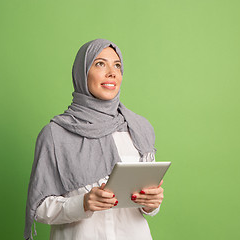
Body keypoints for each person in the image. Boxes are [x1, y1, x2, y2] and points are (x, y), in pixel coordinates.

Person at [24, 39, 164, 240]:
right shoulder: (55, 134)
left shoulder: (138, 129)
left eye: (117, 65)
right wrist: (83, 203)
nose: (112, 73)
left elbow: (145, 205)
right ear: (82, 73)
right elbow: (39, 208)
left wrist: (151, 203)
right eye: (100, 64)